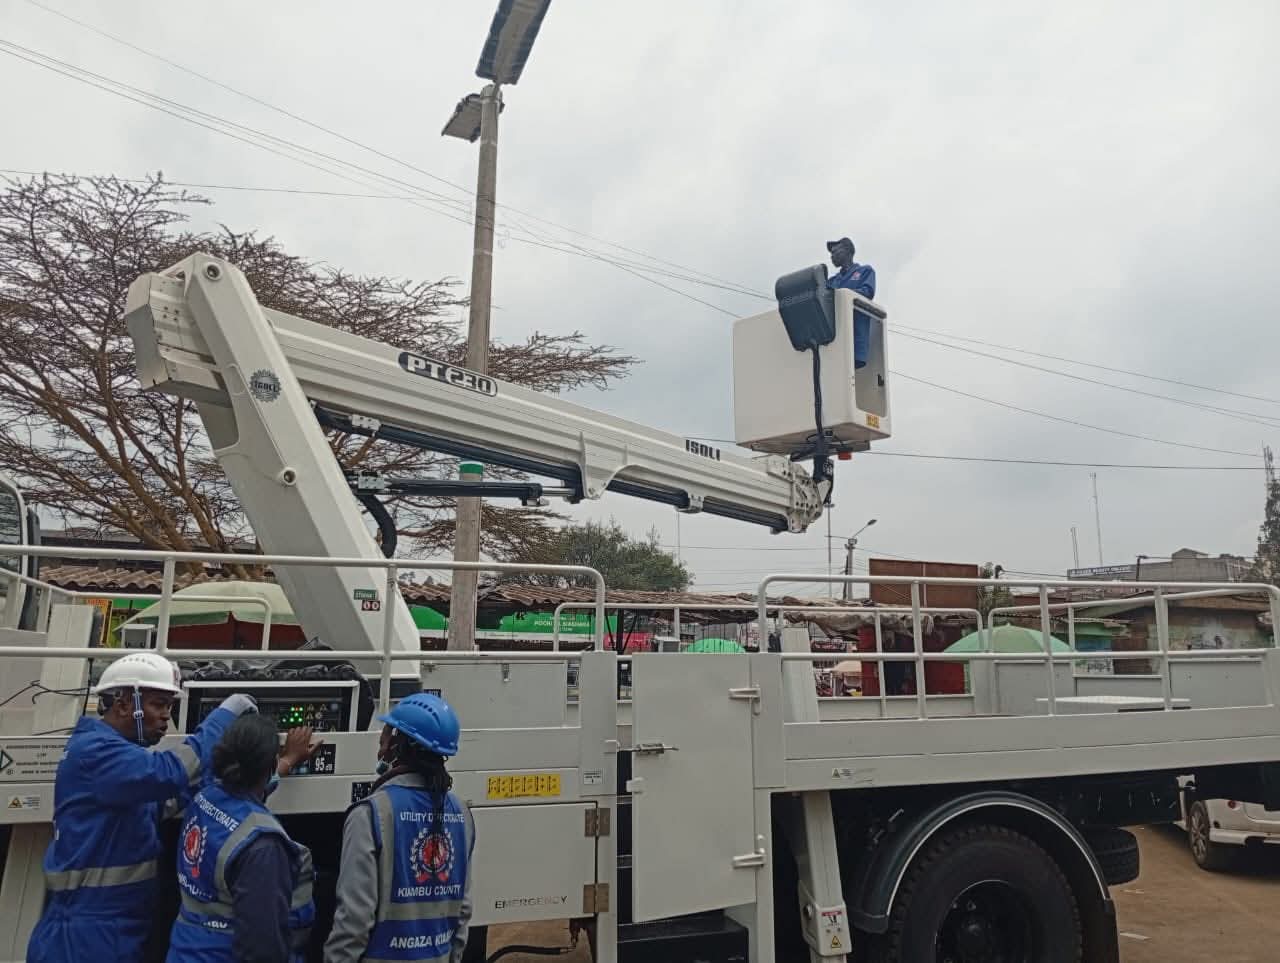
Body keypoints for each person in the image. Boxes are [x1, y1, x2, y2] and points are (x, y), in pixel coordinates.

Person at [26, 651, 258, 963]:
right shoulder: (96, 752)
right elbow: (170, 773)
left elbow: (169, 800)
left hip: (110, 928)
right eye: (158, 705)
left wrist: (261, 775)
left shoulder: (114, 759)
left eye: (170, 707)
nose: (166, 716)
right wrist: (225, 715)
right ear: (123, 704)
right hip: (87, 936)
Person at [325, 692, 475, 963]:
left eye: (384, 735)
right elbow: (462, 912)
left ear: (396, 745)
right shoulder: (461, 813)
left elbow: (354, 921)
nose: (380, 745)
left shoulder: (370, 814)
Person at [168, 715, 321, 963]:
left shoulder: (205, 798)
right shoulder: (264, 846)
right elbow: (264, 947)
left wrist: (288, 761)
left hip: (185, 950)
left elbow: (247, 795)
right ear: (269, 765)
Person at [826, 236, 877, 369]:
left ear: (847, 251)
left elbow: (867, 292)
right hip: (835, 339)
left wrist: (843, 293)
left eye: (835, 252)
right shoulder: (832, 281)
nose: (832, 256)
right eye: (831, 254)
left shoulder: (865, 271)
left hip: (855, 338)